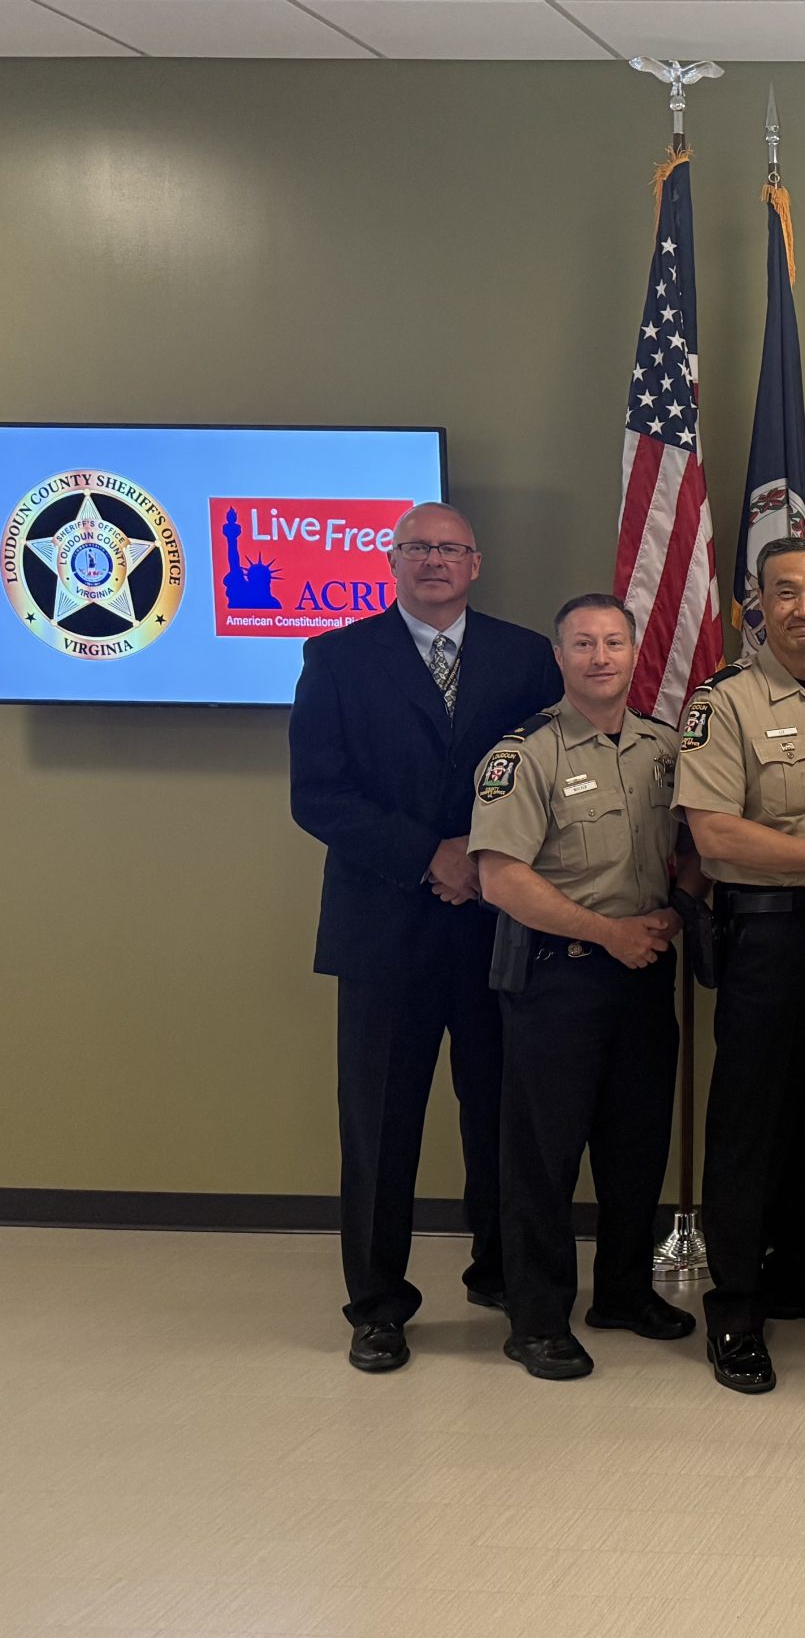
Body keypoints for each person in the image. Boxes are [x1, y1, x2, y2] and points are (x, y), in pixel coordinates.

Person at [288, 500, 560, 1374]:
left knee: (501, 1118)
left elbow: (550, 775)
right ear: (392, 559)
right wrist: (429, 856)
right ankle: (377, 1305)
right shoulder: (335, 657)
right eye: (418, 548)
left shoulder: (524, 657)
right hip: (384, 931)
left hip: (498, 922)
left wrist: (483, 860)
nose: (434, 561)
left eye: (450, 549)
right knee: (380, 1126)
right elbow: (317, 795)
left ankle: (504, 1274)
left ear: (476, 563)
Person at [675, 538, 805, 1397]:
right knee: (751, 1124)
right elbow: (715, 834)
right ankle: (735, 1304)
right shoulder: (721, 704)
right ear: (754, 604)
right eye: (787, 592)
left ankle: (802, 1272)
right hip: (765, 937)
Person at [468, 595, 697, 1380]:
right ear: (559, 657)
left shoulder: (664, 750)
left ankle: (625, 1293)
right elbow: (499, 879)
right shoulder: (524, 754)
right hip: (556, 979)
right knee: (542, 1156)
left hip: (642, 977)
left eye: (614, 643)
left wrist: (680, 908)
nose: (600, 657)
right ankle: (535, 1319)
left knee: (636, 1148)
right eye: (582, 644)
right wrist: (608, 933)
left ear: (635, 653)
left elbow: (687, 851)